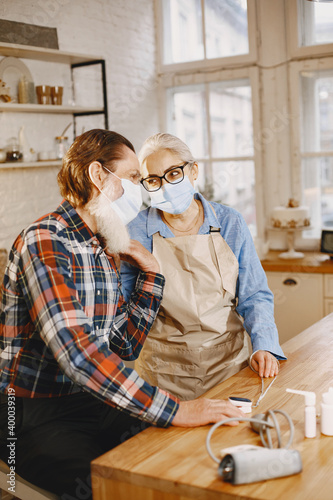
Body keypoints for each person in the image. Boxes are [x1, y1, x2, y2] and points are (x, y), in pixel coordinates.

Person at [0, 129, 244, 500]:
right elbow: (78, 354)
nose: (142, 189)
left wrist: (152, 276)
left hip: (88, 399)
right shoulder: (45, 241)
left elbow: (124, 345)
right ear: (98, 176)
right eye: (132, 178)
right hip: (29, 413)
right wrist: (175, 408)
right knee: (116, 488)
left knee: (169, 455)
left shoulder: (105, 246)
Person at [121, 133, 286, 401]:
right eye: (153, 181)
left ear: (193, 170)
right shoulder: (134, 232)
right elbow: (124, 308)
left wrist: (264, 345)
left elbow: (254, 295)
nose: (165, 187)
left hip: (230, 367)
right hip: (163, 376)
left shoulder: (230, 222)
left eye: (173, 174)